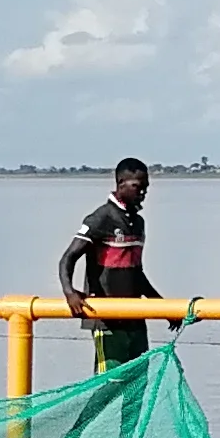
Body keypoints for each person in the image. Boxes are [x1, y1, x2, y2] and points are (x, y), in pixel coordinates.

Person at [55, 156, 159, 371]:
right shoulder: (101, 218)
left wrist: (162, 305)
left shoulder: (138, 222)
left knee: (137, 382)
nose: (143, 193)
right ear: (121, 183)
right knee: (108, 384)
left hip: (134, 317)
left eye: (146, 188)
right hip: (107, 319)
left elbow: (136, 272)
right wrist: (70, 292)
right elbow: (68, 258)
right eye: (137, 187)